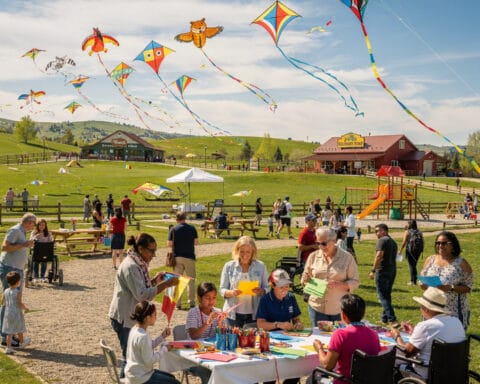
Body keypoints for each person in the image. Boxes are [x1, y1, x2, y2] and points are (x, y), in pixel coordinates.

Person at [108, 233, 179, 378]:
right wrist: (165, 285)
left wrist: (155, 281)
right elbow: (141, 295)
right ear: (140, 249)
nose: (154, 255)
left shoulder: (138, 263)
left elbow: (141, 287)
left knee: (130, 357)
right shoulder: (132, 266)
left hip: (128, 315)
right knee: (129, 359)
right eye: (151, 250)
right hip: (124, 318)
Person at [389, 287, 465, 380]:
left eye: (421, 305)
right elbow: (434, 335)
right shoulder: (456, 321)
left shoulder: (426, 326)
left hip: (427, 373)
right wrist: (414, 332)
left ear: (426, 309)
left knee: (392, 359)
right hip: (453, 371)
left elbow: (407, 353)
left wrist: (397, 336)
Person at [309, 294, 380, 384]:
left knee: (314, 378)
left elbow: (327, 365)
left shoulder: (340, 334)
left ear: (343, 315)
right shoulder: (374, 334)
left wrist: (319, 348)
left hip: (344, 381)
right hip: (368, 381)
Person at [301, 228, 359, 328]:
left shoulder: (347, 258)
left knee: (337, 339)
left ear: (334, 241)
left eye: (323, 243)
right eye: (317, 243)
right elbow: (304, 280)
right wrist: (306, 281)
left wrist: (341, 285)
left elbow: (356, 281)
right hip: (316, 307)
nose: (320, 247)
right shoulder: (313, 256)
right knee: (321, 338)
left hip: (338, 308)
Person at [256, 268, 303, 384]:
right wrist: (278, 324)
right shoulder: (265, 300)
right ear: (272, 285)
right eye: (281, 286)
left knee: (298, 367)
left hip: (289, 340)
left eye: (287, 286)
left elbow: (296, 318)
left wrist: (298, 324)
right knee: (271, 374)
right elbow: (260, 324)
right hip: (270, 341)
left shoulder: (291, 297)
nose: (285, 289)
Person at [419, 231, 473, 330]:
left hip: (453, 311)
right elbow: (422, 279)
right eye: (438, 243)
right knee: (430, 340)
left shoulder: (462, 263)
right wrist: (423, 285)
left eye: (444, 243)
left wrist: (450, 288)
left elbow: (468, 287)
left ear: (453, 245)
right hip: (431, 309)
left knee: (451, 341)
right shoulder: (430, 260)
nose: (440, 246)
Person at [0, 213, 36, 347]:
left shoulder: (22, 231)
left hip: (16, 268)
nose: (34, 226)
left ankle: (8, 334)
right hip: (10, 269)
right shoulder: (15, 230)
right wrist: (23, 245)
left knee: (9, 302)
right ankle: (5, 337)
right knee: (10, 303)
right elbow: (5, 247)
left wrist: (26, 245)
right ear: (29, 222)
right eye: (34, 223)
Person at [125, 301, 179, 384]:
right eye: (154, 315)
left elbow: (148, 346)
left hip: (134, 373)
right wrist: (165, 349)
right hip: (141, 377)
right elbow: (150, 361)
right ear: (147, 318)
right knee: (174, 382)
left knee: (171, 378)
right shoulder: (143, 336)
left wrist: (162, 337)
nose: (156, 317)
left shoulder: (135, 329)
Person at [220, 236, 268, 327]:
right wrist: (230, 292)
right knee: (232, 340)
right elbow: (222, 289)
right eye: (241, 251)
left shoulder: (261, 266)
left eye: (248, 252)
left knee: (251, 341)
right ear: (237, 250)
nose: (244, 254)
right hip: (232, 314)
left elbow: (267, 288)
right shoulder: (229, 266)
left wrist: (262, 291)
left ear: (253, 252)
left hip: (254, 314)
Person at [368, 223, 398, 325]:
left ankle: (392, 319)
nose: (376, 233)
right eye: (375, 231)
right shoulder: (393, 242)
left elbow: (379, 255)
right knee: (387, 295)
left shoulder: (382, 240)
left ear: (385, 231)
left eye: (378, 231)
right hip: (392, 271)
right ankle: (384, 318)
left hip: (382, 271)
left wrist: (373, 270)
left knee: (382, 297)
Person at [168, 212, 198, 310]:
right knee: (191, 280)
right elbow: (196, 242)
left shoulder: (173, 229)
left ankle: (178, 303)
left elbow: (169, 244)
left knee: (177, 281)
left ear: (177, 219)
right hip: (190, 256)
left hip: (177, 257)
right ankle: (192, 302)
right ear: (185, 218)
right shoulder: (192, 228)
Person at [1, 271, 30, 354]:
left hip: (8, 313)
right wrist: (26, 309)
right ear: (18, 282)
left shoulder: (6, 291)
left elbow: (3, 302)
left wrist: (8, 305)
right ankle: (22, 342)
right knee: (19, 329)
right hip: (16, 313)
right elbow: (20, 303)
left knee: (9, 332)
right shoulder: (18, 292)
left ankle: (8, 348)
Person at [398, 219, 424, 286]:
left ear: (409, 224)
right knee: (414, 265)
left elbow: (404, 242)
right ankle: (414, 280)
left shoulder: (407, 231)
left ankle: (413, 281)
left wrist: (400, 250)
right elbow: (423, 241)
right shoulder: (419, 232)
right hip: (418, 250)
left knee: (412, 266)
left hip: (410, 250)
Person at [30, 219, 53, 284]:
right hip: (36, 251)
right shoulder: (34, 232)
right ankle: (36, 276)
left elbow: (50, 241)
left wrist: (51, 240)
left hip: (45, 252)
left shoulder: (48, 233)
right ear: (37, 226)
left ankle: (42, 276)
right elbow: (30, 242)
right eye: (40, 225)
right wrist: (36, 237)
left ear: (45, 226)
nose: (41, 226)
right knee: (35, 261)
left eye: (43, 225)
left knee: (44, 261)